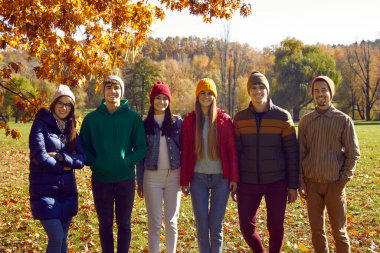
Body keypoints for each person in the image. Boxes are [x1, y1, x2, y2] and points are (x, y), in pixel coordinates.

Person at [232, 71, 299, 253]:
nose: (257, 91)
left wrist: (293, 185)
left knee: (276, 227)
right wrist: (235, 180)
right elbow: (235, 153)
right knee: (246, 227)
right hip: (248, 182)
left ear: (267, 90)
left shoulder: (283, 117)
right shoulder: (239, 119)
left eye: (261, 87)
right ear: (249, 91)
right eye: (253, 87)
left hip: (276, 182)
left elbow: (292, 153)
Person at [79, 75, 147, 253]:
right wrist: (95, 163)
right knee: (105, 224)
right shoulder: (91, 120)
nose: (112, 91)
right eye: (108, 87)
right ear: (103, 91)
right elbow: (83, 148)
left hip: (125, 178)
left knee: (124, 223)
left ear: (121, 91)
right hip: (101, 180)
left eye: (116, 87)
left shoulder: (133, 118)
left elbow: (141, 147)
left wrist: (126, 162)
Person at [298, 76, 360, 253]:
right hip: (312, 185)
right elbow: (300, 153)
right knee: (317, 232)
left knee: (339, 232)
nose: (320, 94)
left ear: (331, 93)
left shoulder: (343, 120)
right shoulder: (306, 121)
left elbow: (353, 153)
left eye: (324, 90)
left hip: (335, 184)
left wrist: (342, 181)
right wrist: (301, 181)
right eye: (316, 90)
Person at [180, 78, 238, 253]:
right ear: (197, 96)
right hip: (198, 178)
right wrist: (184, 181)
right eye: (202, 93)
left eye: (209, 93)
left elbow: (231, 151)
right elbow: (186, 152)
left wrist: (234, 178)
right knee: (202, 225)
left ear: (214, 96)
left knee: (215, 224)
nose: (206, 97)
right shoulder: (190, 121)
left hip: (221, 179)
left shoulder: (224, 120)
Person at [29, 84, 85, 253]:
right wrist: (65, 167)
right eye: (60, 103)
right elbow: (39, 156)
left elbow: (82, 159)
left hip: (67, 192)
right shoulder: (40, 125)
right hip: (45, 191)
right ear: (53, 104)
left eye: (68, 104)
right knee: (56, 237)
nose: (64, 107)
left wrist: (62, 158)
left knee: (63, 239)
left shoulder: (71, 129)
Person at [136, 81, 182, 253]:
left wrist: (185, 179)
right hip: (151, 177)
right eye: (158, 98)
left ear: (169, 101)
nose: (161, 102)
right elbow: (140, 156)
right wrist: (139, 181)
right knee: (154, 223)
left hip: (174, 176)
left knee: (171, 221)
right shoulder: (144, 124)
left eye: (164, 98)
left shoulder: (177, 123)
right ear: (152, 100)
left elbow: (185, 151)